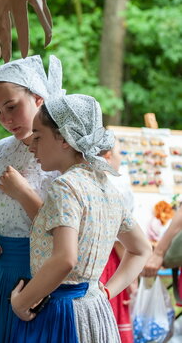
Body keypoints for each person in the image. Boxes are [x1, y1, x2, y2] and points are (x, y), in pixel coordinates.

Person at [9, 94, 151, 343]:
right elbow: (141, 249)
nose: (32, 147)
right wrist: (107, 292)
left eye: (39, 137)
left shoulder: (65, 186)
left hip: (61, 314)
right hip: (95, 311)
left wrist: (22, 301)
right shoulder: (106, 187)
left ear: (64, 139)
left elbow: (65, 258)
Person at [0, 55, 63, 342]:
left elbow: (61, 232)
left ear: (38, 98)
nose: (5, 120)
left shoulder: (60, 151)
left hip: (31, 276)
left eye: (11, 106)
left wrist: (24, 193)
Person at [99, 143, 136, 343]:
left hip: (92, 257)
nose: (122, 158)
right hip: (110, 262)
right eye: (121, 153)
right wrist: (131, 281)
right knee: (109, 313)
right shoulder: (117, 184)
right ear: (108, 155)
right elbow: (121, 240)